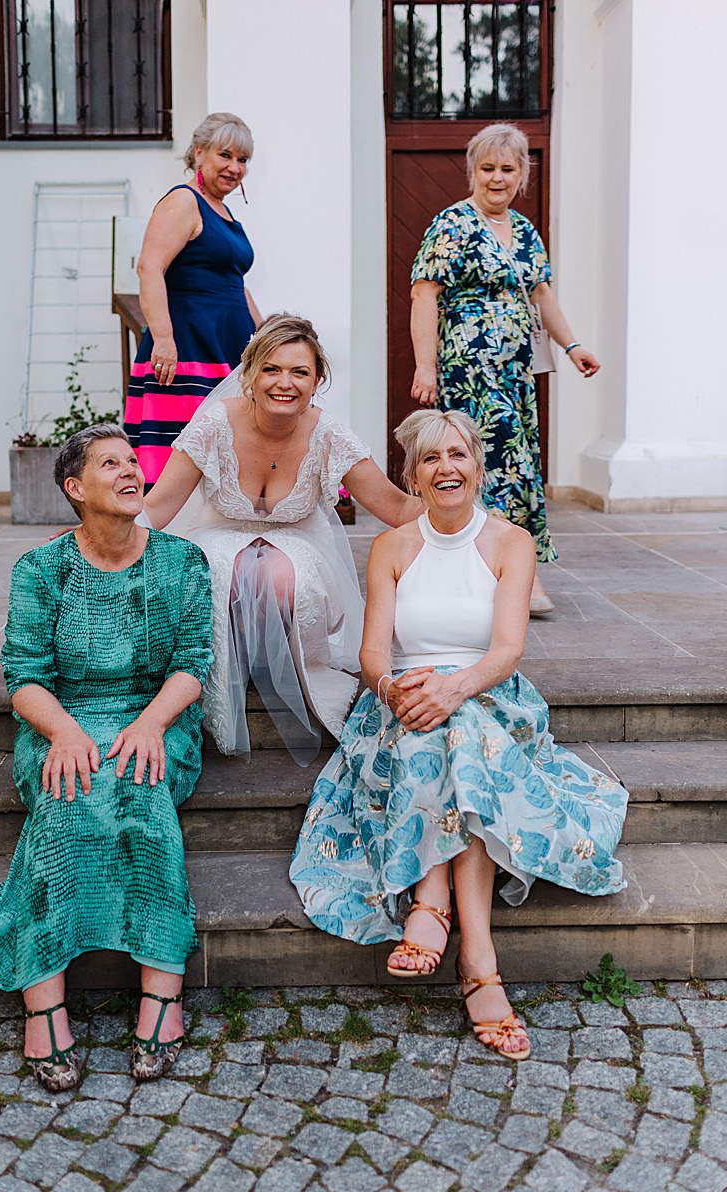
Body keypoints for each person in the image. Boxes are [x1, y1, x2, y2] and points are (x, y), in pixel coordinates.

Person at [291, 409, 628, 1059]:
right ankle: (480, 965)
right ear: (412, 477)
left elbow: (505, 651)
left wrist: (454, 688)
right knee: (433, 735)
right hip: (403, 701)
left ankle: (433, 907)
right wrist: (396, 691)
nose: (446, 468)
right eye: (430, 459)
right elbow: (372, 655)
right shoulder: (391, 547)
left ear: (477, 465)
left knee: (461, 734)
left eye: (458, 455)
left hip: (490, 695)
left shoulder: (510, 543)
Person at [0, 424, 212, 1090]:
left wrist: (156, 723)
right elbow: (24, 675)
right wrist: (68, 733)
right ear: (75, 488)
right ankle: (43, 1001)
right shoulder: (41, 570)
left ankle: (164, 994)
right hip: (61, 723)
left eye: (134, 461)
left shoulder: (183, 561)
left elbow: (192, 665)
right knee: (67, 797)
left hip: (157, 723)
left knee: (140, 794)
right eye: (112, 464)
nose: (132, 471)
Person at [142, 314, 423, 762]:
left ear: (318, 381)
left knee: (277, 572)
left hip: (300, 544)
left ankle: (278, 662)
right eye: (271, 369)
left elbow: (395, 507)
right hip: (218, 535)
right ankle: (220, 669)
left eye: (299, 372)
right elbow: (156, 508)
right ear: (249, 374)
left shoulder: (329, 434)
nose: (284, 383)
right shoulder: (215, 424)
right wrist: (95, 534)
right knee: (219, 564)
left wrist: (458, 498)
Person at [410, 122, 600, 615]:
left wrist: (572, 343)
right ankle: (485, 575)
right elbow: (424, 296)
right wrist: (425, 367)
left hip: (515, 375)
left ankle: (517, 572)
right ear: (472, 171)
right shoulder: (450, 224)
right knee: (481, 465)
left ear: (523, 175)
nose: (497, 177)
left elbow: (541, 295)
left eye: (508, 169)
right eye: (488, 168)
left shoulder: (524, 231)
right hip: (468, 372)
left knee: (517, 466)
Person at [125, 112, 261, 489]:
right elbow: (149, 268)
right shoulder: (183, 202)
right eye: (226, 156)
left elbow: (235, 284)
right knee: (182, 453)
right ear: (199, 153)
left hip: (227, 347)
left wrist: (269, 337)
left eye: (243, 160)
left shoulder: (223, 210)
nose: (235, 168)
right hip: (188, 349)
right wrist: (164, 340)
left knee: (224, 450)